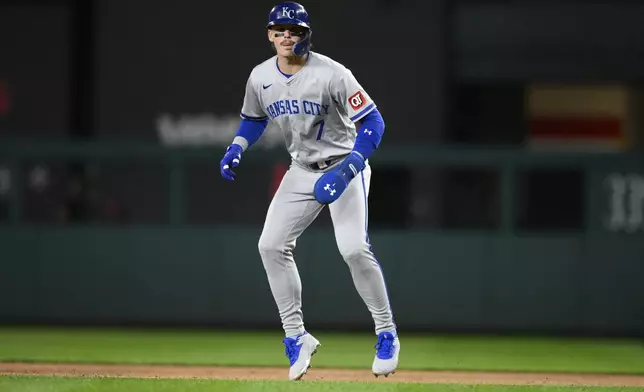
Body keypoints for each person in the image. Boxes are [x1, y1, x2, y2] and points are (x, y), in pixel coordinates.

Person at [219, 1, 399, 381]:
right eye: (279, 30)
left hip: (344, 164)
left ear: (306, 35)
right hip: (301, 169)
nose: (286, 36)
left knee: (352, 248)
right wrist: (237, 146)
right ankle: (296, 336)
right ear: (269, 35)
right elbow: (253, 120)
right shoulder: (260, 77)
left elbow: (374, 123)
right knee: (270, 246)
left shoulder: (332, 73)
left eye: (294, 30)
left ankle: (386, 331)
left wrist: (350, 167)